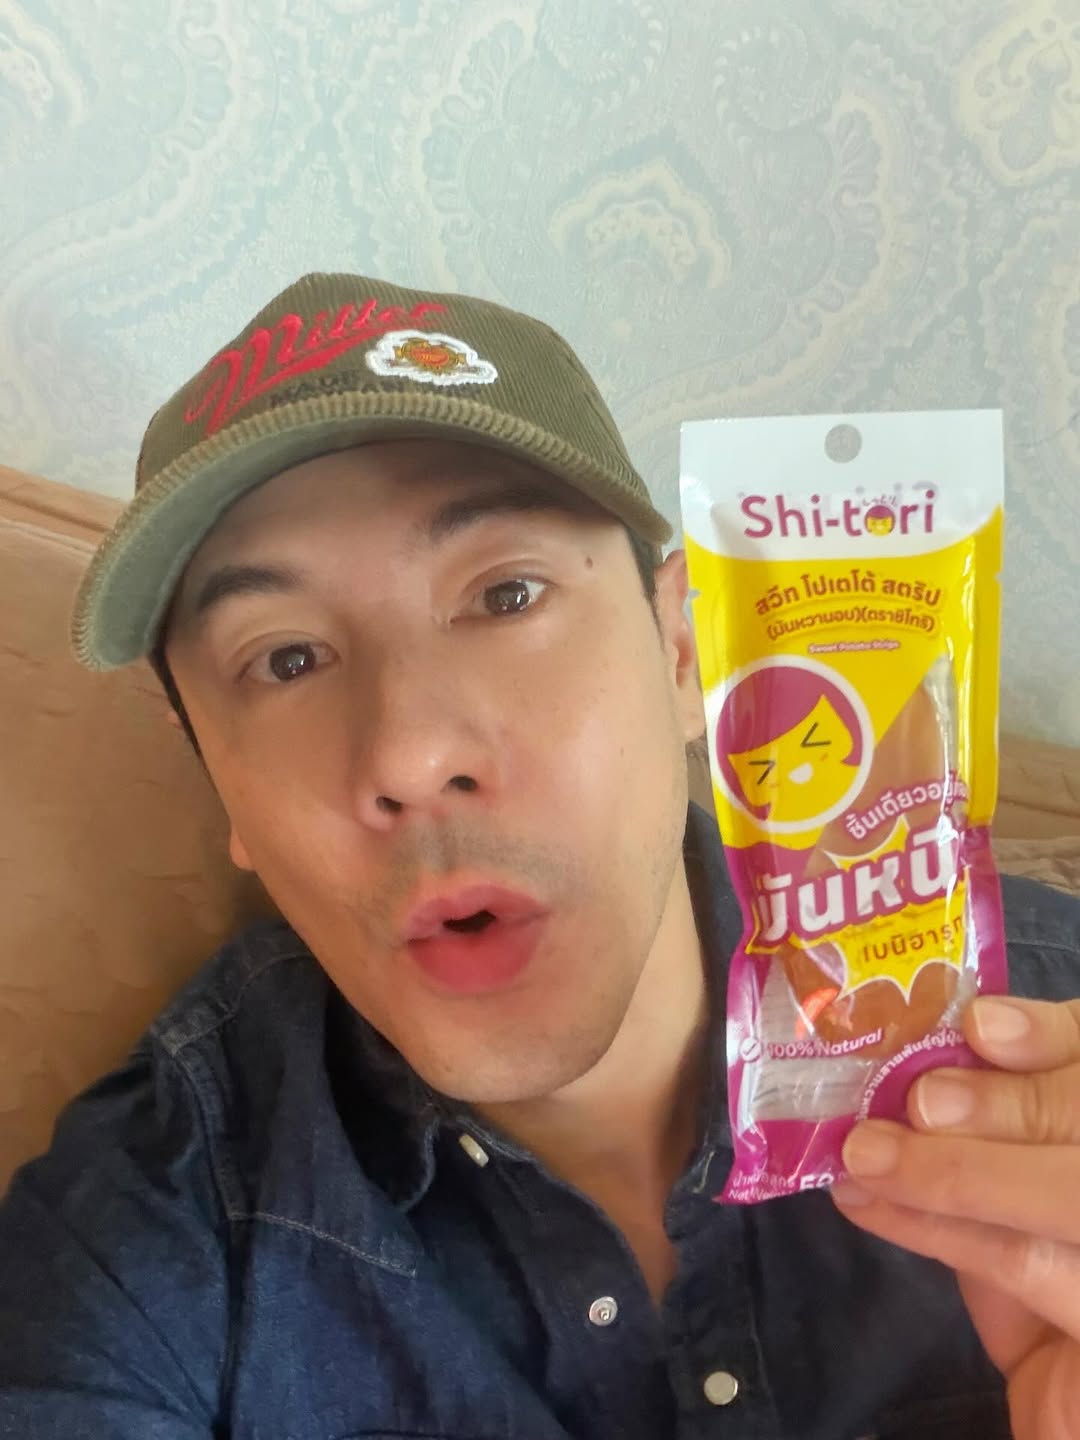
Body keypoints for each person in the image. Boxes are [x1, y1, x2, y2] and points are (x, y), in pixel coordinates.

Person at [1, 271, 1078, 1440]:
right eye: (287, 660)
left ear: (684, 652)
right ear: (226, 792)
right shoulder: (142, 1243)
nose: (411, 755)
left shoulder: (1048, 1030)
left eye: (506, 594)